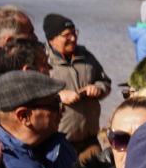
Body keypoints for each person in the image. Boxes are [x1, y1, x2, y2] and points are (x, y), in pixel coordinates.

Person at [43, 13, 112, 155]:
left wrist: (98, 88)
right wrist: (58, 96)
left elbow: (105, 82)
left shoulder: (87, 56)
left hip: (90, 140)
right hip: (58, 142)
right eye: (67, 35)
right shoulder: (42, 61)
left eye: (75, 33)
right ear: (51, 39)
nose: (73, 38)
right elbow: (32, 95)